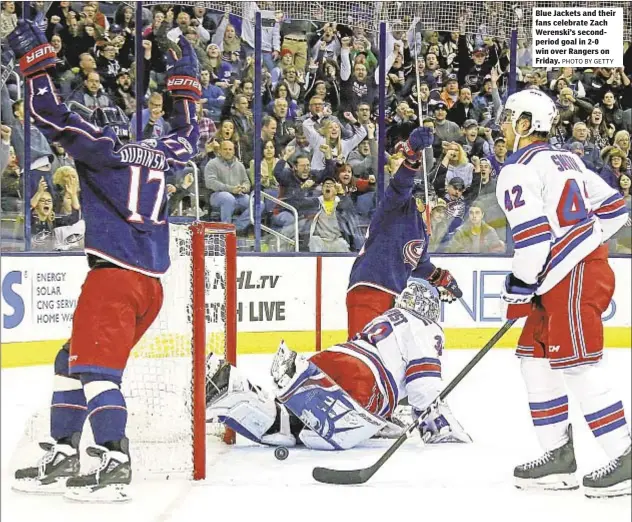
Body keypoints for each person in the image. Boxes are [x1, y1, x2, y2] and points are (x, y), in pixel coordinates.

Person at [8, 21, 201, 502]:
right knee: (68, 359)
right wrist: (184, 79)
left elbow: (47, 111)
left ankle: (115, 460)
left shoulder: (104, 150)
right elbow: (191, 132)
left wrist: (36, 62)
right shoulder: (163, 152)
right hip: (150, 283)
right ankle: (63, 450)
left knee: (95, 369)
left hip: (114, 276)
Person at [496, 89, 631, 498]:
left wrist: (520, 285)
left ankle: (624, 456)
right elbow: (615, 208)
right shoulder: (566, 159)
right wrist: (579, 244)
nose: (501, 124)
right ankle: (557, 456)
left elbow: (535, 242)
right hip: (561, 278)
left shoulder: (516, 169)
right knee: (534, 359)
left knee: (577, 365)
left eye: (507, 118)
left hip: (570, 279)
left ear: (523, 124)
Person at [206, 282, 471, 451]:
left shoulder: (388, 316)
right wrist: (437, 423)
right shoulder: (427, 327)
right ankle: (326, 423)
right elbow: (422, 385)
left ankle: (234, 388)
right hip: (364, 382)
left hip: (329, 360)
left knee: (287, 427)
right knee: (327, 432)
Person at [346, 127, 463, 339]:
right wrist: (411, 153)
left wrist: (441, 278)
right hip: (370, 288)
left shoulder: (421, 227)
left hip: (392, 297)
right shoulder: (394, 206)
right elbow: (401, 185)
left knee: (386, 359)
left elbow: (419, 263)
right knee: (362, 355)